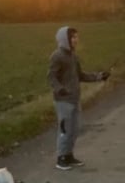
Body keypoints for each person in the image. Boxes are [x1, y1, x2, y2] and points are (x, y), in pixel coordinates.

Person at [47, 26, 110, 170]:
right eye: (73, 37)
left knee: (74, 129)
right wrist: (59, 89)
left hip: (75, 99)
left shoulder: (73, 57)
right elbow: (51, 77)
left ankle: (69, 155)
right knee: (65, 129)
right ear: (65, 39)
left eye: (76, 37)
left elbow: (81, 75)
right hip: (63, 101)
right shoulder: (57, 56)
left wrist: (99, 76)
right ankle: (61, 158)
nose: (76, 40)